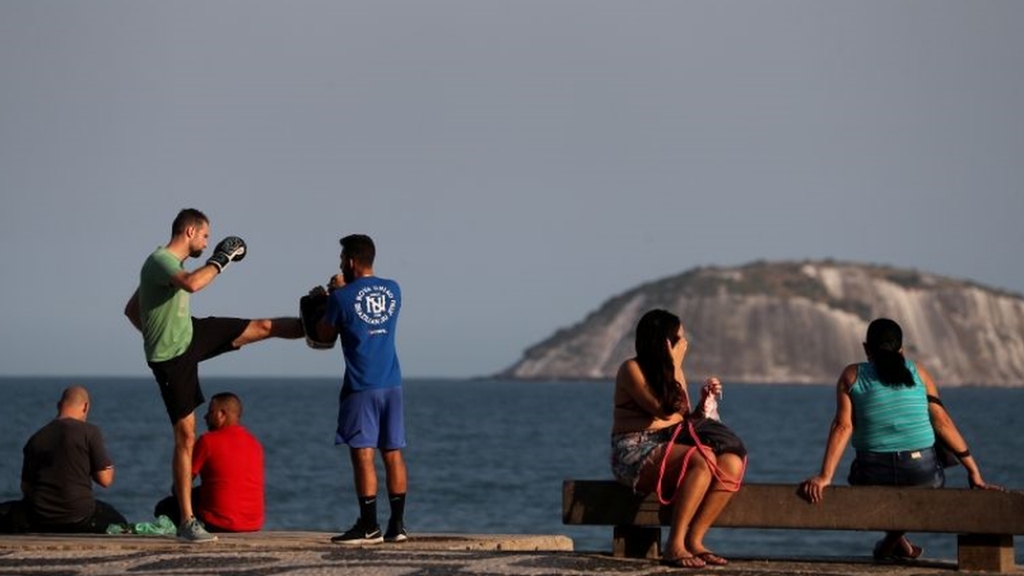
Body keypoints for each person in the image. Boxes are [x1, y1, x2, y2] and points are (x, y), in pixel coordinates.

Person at [124, 208, 303, 542]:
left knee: (262, 327)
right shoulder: (161, 260)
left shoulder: (166, 268)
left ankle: (315, 328)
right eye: (206, 236)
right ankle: (187, 521)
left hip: (191, 335)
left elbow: (133, 310)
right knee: (187, 437)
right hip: (171, 359)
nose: (207, 243)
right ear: (190, 231)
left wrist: (156, 329)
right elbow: (192, 284)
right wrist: (222, 259)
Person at [799, 317, 999, 560]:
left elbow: (843, 426)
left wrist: (825, 477)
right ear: (901, 349)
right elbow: (942, 422)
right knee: (924, 479)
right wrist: (974, 472)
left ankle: (893, 542)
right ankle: (894, 543)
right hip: (923, 474)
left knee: (860, 477)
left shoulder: (852, 375)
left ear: (866, 348)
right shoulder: (919, 373)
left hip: (872, 473)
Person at [610, 309, 746, 568]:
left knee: (732, 463)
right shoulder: (631, 369)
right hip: (635, 451)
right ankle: (675, 545)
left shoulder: (676, 373)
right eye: (679, 339)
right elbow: (660, 409)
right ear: (665, 342)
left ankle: (695, 540)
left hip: (672, 444)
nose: (685, 344)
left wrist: (704, 403)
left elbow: (682, 421)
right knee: (702, 458)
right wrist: (674, 363)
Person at [310, 233, 408, 545]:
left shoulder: (341, 297)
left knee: (363, 455)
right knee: (392, 453)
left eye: (342, 259)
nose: (340, 264)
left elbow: (323, 334)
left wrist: (329, 297)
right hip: (392, 383)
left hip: (361, 385)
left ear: (351, 261)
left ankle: (368, 526)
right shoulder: (394, 290)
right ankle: (398, 526)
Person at [0, 386, 127, 534]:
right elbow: (105, 480)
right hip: (81, 517)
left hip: (39, 517)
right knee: (120, 523)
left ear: (59, 405)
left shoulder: (36, 438)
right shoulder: (90, 432)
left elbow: (26, 488)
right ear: (86, 407)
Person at [154, 392, 264, 532]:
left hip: (218, 523)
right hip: (253, 524)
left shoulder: (208, 441)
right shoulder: (255, 444)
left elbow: (181, 484)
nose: (205, 417)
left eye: (210, 412)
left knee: (164, 507)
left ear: (221, 414)